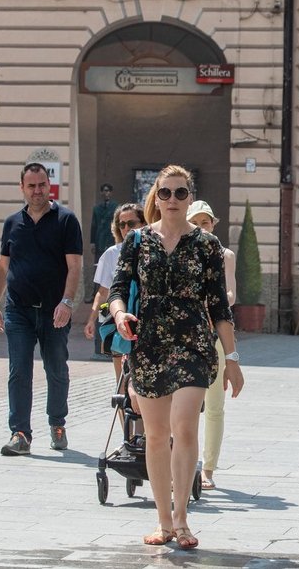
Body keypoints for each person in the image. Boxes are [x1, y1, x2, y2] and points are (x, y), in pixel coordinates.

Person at [108, 165, 243, 550]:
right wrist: (119, 314)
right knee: (155, 435)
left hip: (194, 344)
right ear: (156, 197)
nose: (172, 200)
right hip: (148, 344)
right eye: (165, 193)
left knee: (184, 428)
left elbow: (219, 305)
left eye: (180, 193)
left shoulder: (206, 245)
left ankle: (183, 520)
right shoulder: (136, 241)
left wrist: (231, 358)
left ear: (189, 197)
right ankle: (163, 521)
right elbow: (117, 289)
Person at [0, 162, 83, 456]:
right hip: (18, 310)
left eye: (42, 185)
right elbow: (3, 266)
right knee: (19, 371)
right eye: (32, 186)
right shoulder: (12, 222)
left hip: (54, 311)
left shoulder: (66, 220)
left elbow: (74, 266)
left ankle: (57, 423)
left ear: (49, 186)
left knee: (56, 369)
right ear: (22, 188)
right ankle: (20, 433)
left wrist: (67, 302)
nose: (38, 190)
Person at [186, 200, 237, 492]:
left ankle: (208, 468)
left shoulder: (224, 254)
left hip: (214, 333)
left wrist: (211, 300)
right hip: (188, 334)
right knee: (185, 407)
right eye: (196, 222)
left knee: (215, 404)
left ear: (213, 225)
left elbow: (230, 294)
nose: (201, 227)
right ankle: (183, 464)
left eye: (206, 222)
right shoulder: (181, 252)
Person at [83, 203, 146, 381]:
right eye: (121, 224)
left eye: (131, 223)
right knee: (121, 375)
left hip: (144, 316)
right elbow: (103, 291)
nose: (126, 228)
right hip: (118, 317)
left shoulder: (152, 249)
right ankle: (121, 406)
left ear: (143, 223)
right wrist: (91, 320)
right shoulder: (111, 254)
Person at [89, 183, 117, 302]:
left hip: (110, 240)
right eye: (104, 191)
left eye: (108, 191)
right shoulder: (97, 208)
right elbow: (93, 226)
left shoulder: (115, 207)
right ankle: (95, 294)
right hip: (100, 240)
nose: (106, 193)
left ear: (111, 192)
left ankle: (111, 293)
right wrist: (92, 242)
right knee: (98, 268)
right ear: (101, 192)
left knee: (111, 267)